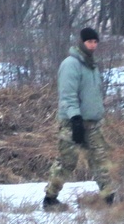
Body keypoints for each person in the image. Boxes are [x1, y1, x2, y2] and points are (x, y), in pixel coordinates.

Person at [43, 27, 116, 209]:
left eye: (95, 42)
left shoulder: (91, 65)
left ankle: (108, 200)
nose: (93, 45)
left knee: (100, 160)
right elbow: (67, 95)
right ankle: (50, 199)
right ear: (82, 42)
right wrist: (75, 119)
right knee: (67, 162)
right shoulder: (71, 64)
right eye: (89, 42)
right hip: (72, 122)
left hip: (92, 123)